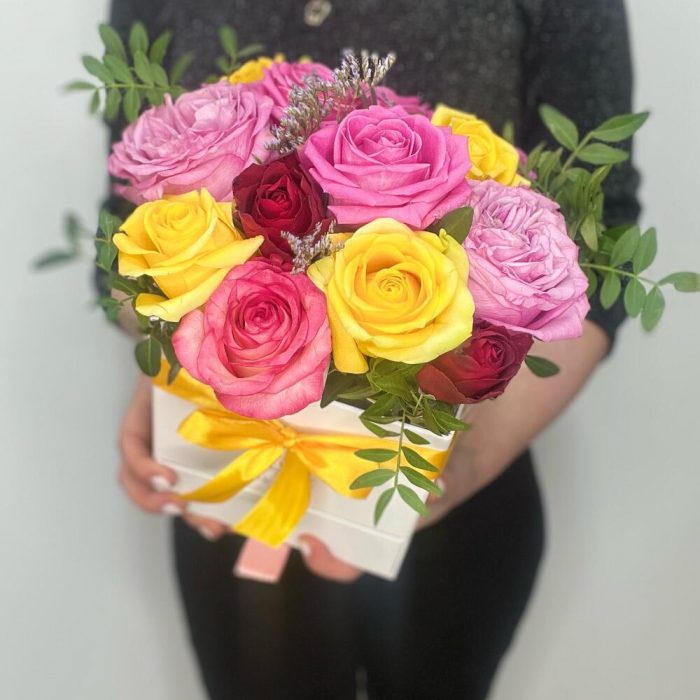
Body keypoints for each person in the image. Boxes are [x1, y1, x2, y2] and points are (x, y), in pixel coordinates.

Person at [112, 1, 640, 697]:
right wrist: (169, 363)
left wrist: (458, 465)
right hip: (231, 477)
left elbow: (605, 247)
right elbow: (123, 228)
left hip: (447, 488)